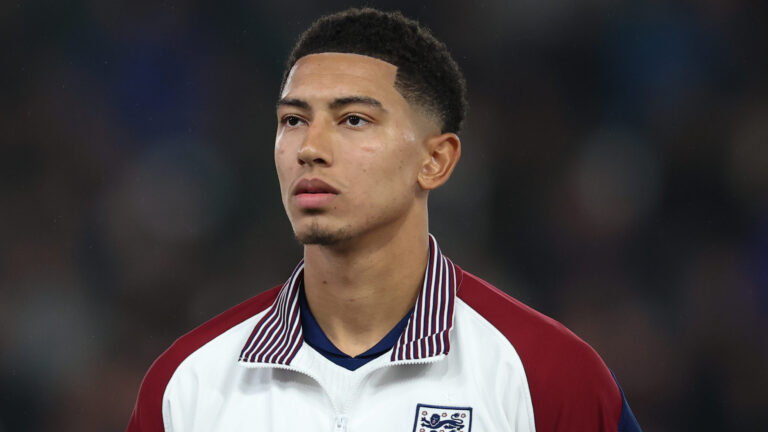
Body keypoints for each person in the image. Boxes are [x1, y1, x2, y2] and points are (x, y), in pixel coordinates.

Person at [127, 8, 641, 432]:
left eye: (354, 119)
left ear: (435, 161)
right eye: (293, 120)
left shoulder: (548, 376)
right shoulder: (187, 385)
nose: (310, 148)